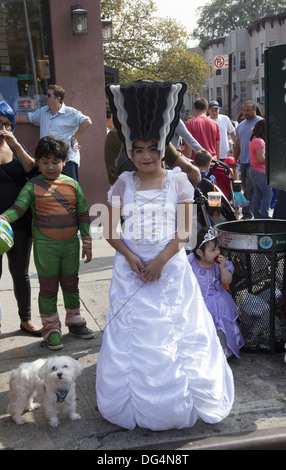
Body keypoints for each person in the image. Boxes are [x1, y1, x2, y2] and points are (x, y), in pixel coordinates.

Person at [96, 79, 234, 431]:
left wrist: (160, 261)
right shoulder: (122, 184)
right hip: (131, 271)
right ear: (129, 150)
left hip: (170, 268)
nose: (145, 156)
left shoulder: (179, 182)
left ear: (164, 147)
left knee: (179, 333)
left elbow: (185, 233)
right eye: (138, 149)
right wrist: (130, 257)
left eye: (152, 149)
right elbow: (111, 231)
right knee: (133, 336)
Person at [0, 136, 94, 350]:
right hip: (45, 247)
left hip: (70, 245)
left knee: (71, 284)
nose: (50, 167)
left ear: (64, 161)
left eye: (55, 162)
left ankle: (75, 320)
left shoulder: (73, 185)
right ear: (38, 162)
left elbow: (82, 213)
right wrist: (4, 218)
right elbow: (19, 208)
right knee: (48, 287)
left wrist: (87, 241)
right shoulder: (32, 186)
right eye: (44, 162)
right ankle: (51, 329)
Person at [0, 101, 41, 336]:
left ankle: (25, 320)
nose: (2, 128)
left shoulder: (15, 145)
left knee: (21, 273)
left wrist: (15, 144)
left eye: (6, 123)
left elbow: (31, 170)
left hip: (18, 221)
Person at [15, 84, 92, 181]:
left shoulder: (70, 112)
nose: (45, 97)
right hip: (47, 159)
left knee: (69, 189)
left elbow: (87, 122)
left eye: (48, 95)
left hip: (67, 159)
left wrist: (74, 137)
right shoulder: (43, 111)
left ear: (58, 98)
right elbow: (28, 118)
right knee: (50, 191)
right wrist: (9, 119)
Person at [188, 228, 244, 358]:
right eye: (212, 250)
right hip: (197, 302)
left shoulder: (219, 265)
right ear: (199, 252)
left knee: (219, 326)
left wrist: (223, 268)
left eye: (218, 249)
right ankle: (203, 353)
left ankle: (222, 351)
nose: (217, 253)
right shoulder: (191, 262)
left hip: (218, 303)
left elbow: (227, 280)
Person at [104, 125, 201, 187]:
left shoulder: (157, 130)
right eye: (139, 151)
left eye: (153, 149)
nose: (146, 156)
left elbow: (173, 157)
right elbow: (113, 178)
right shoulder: (115, 135)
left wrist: (192, 169)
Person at [233, 100, 262, 219]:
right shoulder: (240, 126)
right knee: (245, 189)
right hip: (243, 162)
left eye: (248, 110)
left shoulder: (261, 123)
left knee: (250, 189)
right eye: (244, 110)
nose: (245, 113)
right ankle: (249, 212)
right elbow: (238, 145)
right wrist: (234, 160)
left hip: (254, 163)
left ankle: (247, 214)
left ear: (254, 110)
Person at [249, 119, 272, 219]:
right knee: (268, 193)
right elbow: (261, 158)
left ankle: (257, 216)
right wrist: (272, 159)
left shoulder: (253, 139)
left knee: (258, 194)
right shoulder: (259, 141)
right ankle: (264, 215)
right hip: (260, 171)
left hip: (254, 170)